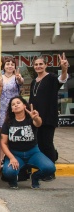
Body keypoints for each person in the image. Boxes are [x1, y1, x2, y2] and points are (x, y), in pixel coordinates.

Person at [28, 53, 68, 181]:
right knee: (39, 144)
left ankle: (51, 171)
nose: (38, 66)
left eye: (41, 64)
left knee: (47, 144)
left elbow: (62, 79)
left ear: (46, 65)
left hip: (48, 117)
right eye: (36, 64)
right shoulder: (34, 81)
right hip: (36, 118)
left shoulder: (51, 78)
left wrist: (64, 68)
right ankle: (45, 166)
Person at [1, 96, 56, 189]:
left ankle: (35, 177)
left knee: (50, 168)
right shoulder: (8, 123)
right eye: (13, 104)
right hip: (15, 154)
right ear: (12, 109)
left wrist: (36, 118)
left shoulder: (30, 120)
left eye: (18, 103)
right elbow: (3, 143)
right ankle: (13, 180)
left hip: (33, 152)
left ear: (24, 106)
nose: (16, 105)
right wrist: (11, 158)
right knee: (8, 172)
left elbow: (38, 123)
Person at [0, 58, 24, 130]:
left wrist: (19, 78)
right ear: (4, 66)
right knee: (2, 130)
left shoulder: (16, 77)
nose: (10, 66)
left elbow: (20, 82)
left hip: (13, 107)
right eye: (8, 64)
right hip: (1, 108)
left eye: (12, 64)